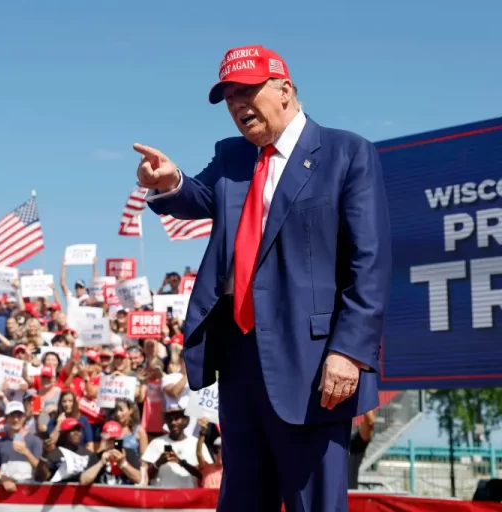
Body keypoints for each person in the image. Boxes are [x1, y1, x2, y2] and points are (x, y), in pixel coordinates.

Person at [135, 45, 391, 511]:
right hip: (238, 356)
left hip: (314, 364)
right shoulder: (233, 156)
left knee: (314, 502)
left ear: (286, 91)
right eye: (229, 97)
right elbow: (199, 197)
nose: (237, 105)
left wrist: (349, 352)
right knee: (242, 499)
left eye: (247, 91)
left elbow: (368, 263)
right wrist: (169, 182)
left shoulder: (345, 152)